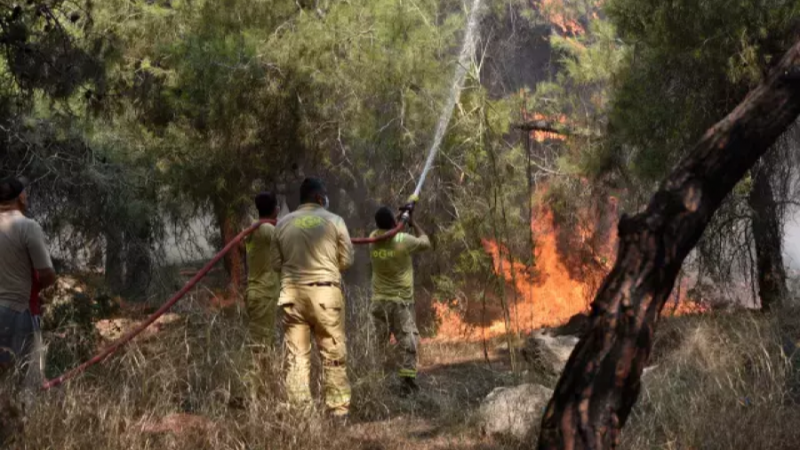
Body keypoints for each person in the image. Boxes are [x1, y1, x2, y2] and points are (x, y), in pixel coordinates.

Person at [270, 178, 354, 419]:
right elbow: (346, 261)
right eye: (325, 195)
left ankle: (300, 415)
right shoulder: (335, 221)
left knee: (296, 358)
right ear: (319, 197)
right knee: (333, 353)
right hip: (326, 296)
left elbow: (276, 263)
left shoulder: (282, 224)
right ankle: (338, 412)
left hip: (292, 298)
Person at [0, 177, 56, 388]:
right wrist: (39, 289)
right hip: (16, 311)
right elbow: (47, 274)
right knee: (22, 381)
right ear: (21, 197)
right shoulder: (27, 226)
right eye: (26, 193)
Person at [369, 206, 430, 394]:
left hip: (379, 303)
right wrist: (412, 222)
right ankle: (407, 383)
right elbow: (425, 242)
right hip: (400, 303)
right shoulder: (403, 241)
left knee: (377, 344)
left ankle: (374, 382)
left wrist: (397, 218)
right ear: (394, 224)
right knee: (408, 342)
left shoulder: (373, 238)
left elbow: (387, 225)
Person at [245, 192, 281, 348]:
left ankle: (265, 372)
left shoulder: (254, 230)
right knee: (262, 346)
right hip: (263, 294)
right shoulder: (266, 229)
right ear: (275, 209)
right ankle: (261, 373)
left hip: (256, 292)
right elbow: (285, 248)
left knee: (264, 342)